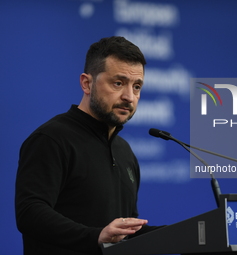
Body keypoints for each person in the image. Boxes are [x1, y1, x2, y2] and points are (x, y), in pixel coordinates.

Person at [15, 36, 159, 255]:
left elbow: (124, 234)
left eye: (137, 86)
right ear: (87, 83)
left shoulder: (125, 152)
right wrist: (95, 237)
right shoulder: (51, 138)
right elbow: (30, 213)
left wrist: (188, 235)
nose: (129, 97)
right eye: (118, 83)